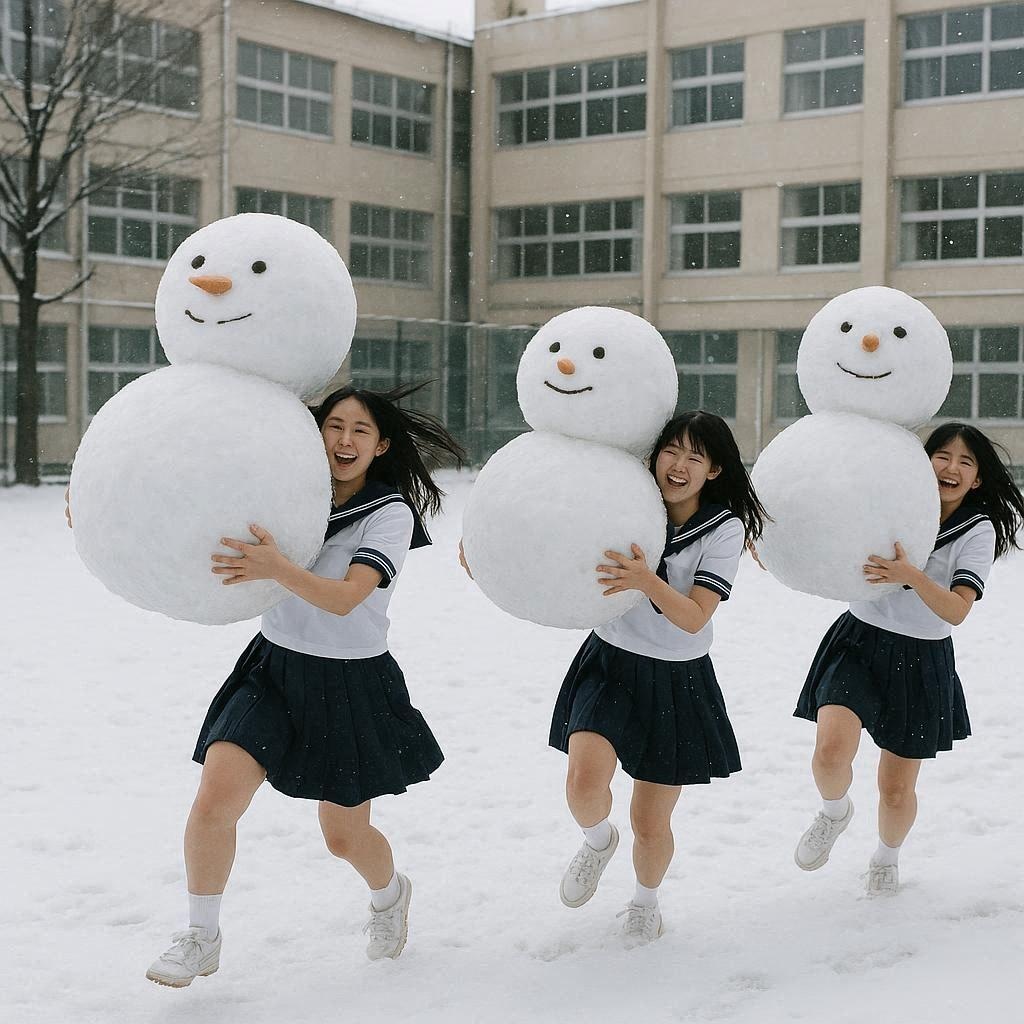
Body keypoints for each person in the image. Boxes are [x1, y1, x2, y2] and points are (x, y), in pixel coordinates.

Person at [143, 382, 464, 985]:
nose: (344, 440)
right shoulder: (289, 489)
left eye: (360, 431)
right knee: (215, 802)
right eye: (334, 426)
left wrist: (277, 568)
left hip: (350, 681)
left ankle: (390, 894)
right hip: (272, 668)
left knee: (344, 836)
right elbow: (190, 500)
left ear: (381, 445)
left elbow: (346, 598)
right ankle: (201, 935)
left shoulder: (389, 513)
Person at [548, 410, 766, 946]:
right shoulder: (626, 500)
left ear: (714, 471)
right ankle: (598, 842)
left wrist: (646, 580)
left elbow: (695, 615)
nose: (679, 465)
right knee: (583, 784)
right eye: (672, 450)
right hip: (609, 660)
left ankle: (645, 903)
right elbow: (555, 539)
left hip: (676, 680)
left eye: (696, 456)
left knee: (650, 818)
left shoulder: (724, 528)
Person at [793, 422, 1024, 895]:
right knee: (830, 752)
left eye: (965, 462)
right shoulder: (893, 503)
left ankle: (886, 857)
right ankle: (834, 812)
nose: (952, 468)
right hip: (859, 640)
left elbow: (957, 610)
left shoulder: (976, 530)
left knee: (895, 789)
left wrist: (911, 575)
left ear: (977, 479)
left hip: (921, 658)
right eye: (943, 456)